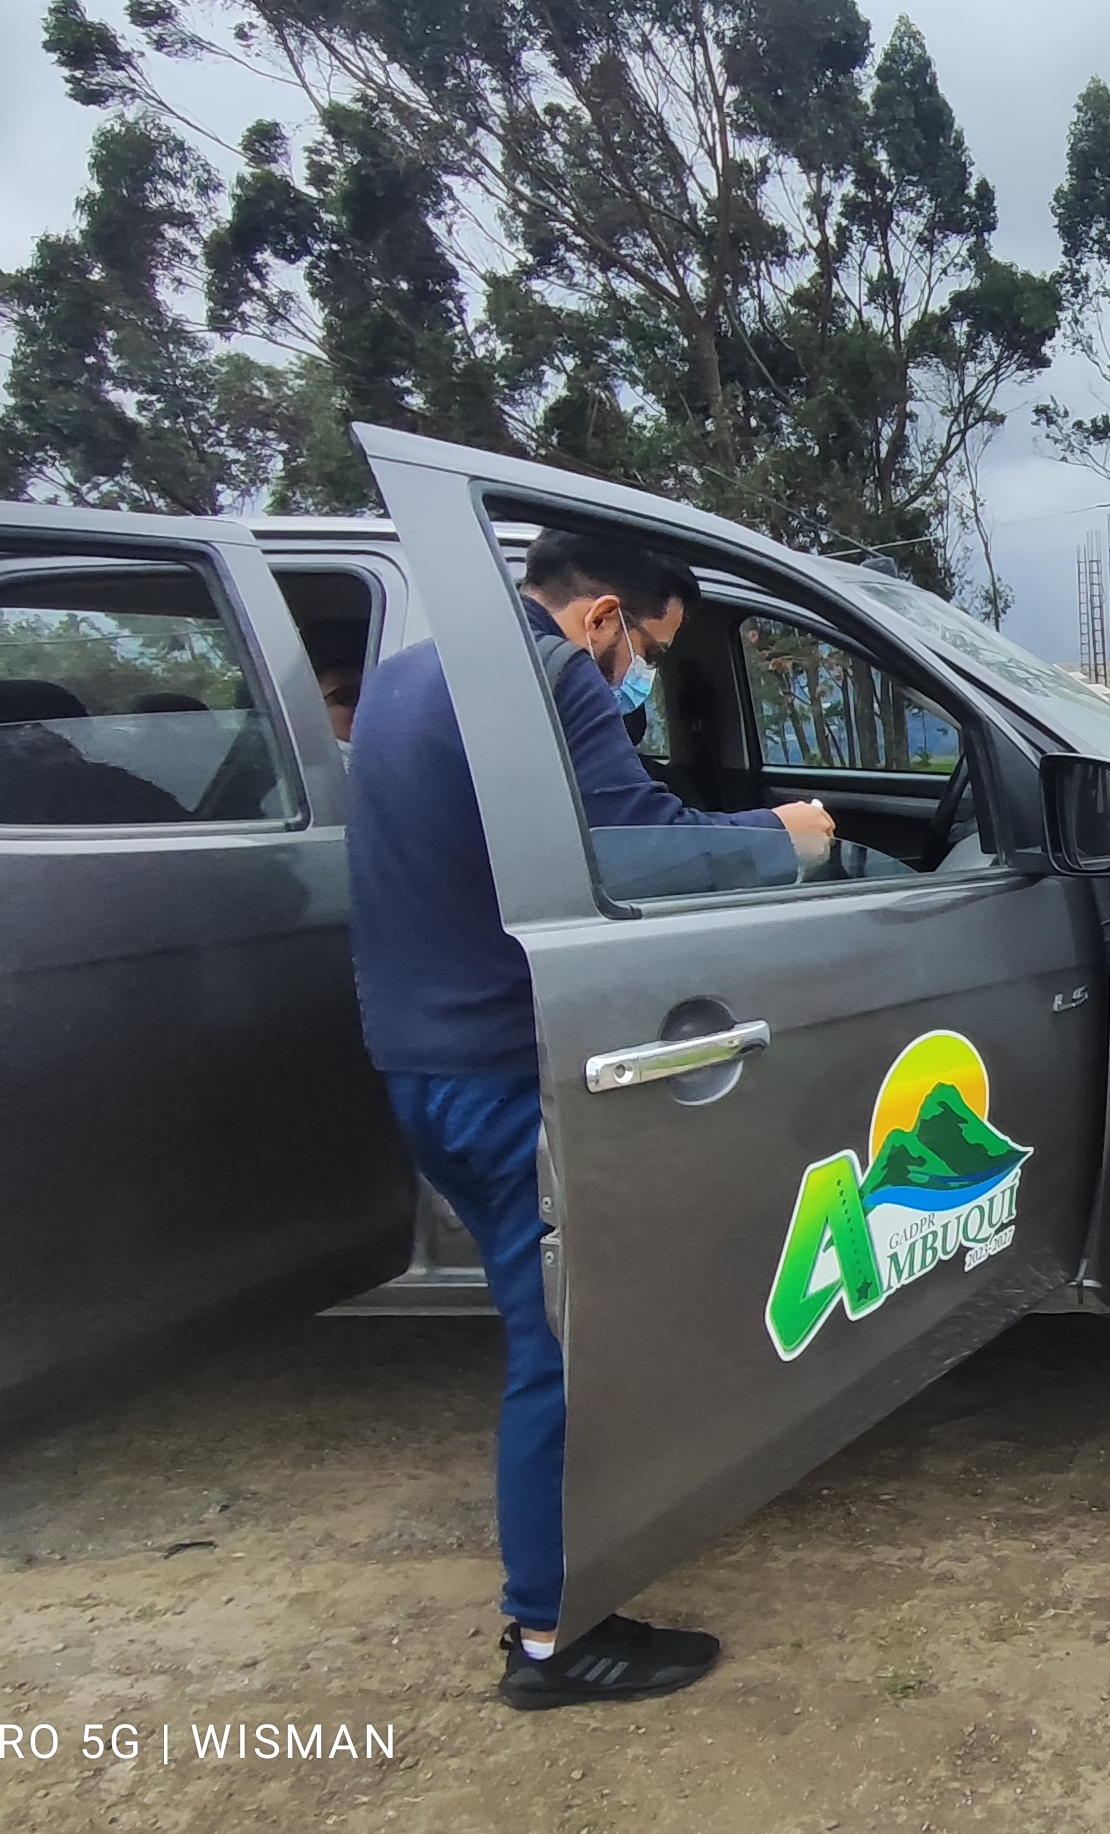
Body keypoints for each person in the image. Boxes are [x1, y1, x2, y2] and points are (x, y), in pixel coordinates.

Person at [344, 528, 832, 1710]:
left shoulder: (409, 676)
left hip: (423, 1060)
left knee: (551, 1320)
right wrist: (785, 838)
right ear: (606, 616)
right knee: (568, 1347)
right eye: (651, 649)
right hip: (508, 1069)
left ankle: (557, 1606)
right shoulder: (549, 673)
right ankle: (550, 1638)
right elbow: (635, 852)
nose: (640, 676)